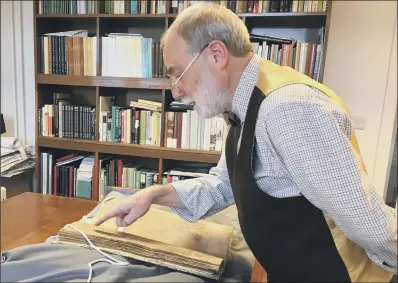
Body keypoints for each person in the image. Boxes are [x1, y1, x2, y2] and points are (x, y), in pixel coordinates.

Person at [95, 3, 397, 282]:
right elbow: (223, 185)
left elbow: (368, 224)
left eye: (179, 74)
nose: (177, 91)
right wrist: (153, 195)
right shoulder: (245, 102)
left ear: (216, 54)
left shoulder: (287, 107)